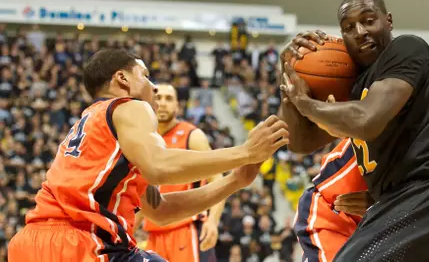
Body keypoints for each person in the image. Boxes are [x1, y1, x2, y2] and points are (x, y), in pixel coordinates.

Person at [8, 49, 289, 261]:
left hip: (31, 243)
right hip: (83, 243)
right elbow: (159, 166)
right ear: (122, 79)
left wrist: (235, 181)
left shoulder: (93, 128)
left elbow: (161, 211)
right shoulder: (129, 107)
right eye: (145, 75)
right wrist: (245, 151)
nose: (153, 86)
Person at [280, 0, 429, 261]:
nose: (360, 31)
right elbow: (299, 142)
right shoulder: (357, 85)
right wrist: (290, 72)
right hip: (407, 205)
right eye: (349, 28)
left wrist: (305, 104)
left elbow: (367, 120)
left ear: (389, 21)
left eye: (368, 20)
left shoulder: (407, 49)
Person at [133, 84, 223, 262]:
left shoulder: (192, 136)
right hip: (153, 235)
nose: (163, 103)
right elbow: (141, 194)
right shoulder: (141, 141)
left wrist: (213, 221)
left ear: (178, 106)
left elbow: (217, 178)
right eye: (158, 98)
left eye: (169, 98)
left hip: (186, 230)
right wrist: (129, 231)